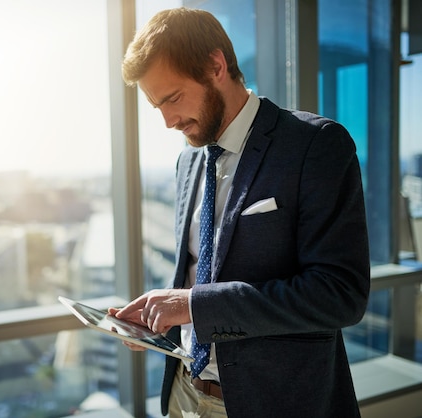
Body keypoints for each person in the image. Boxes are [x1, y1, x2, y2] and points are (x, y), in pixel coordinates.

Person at [107, 7, 370, 418]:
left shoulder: (314, 145)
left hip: (274, 402)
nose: (168, 121)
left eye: (173, 98)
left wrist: (195, 305)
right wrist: (158, 320)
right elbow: (200, 272)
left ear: (216, 65)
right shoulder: (188, 163)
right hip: (185, 393)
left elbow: (340, 295)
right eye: (157, 105)